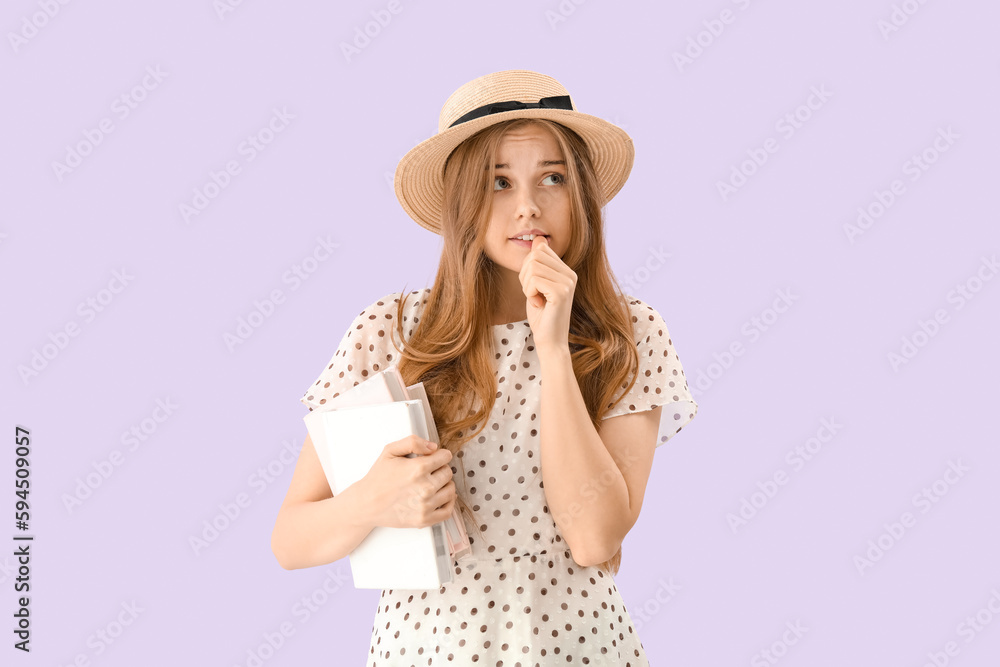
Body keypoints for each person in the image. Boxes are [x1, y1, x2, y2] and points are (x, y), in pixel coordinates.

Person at [271, 69, 699, 666]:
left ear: (580, 195)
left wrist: (553, 350)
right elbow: (290, 540)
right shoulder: (390, 331)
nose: (527, 207)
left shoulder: (628, 333)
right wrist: (372, 502)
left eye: (552, 178)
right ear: (463, 202)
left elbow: (594, 536)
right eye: (498, 183)